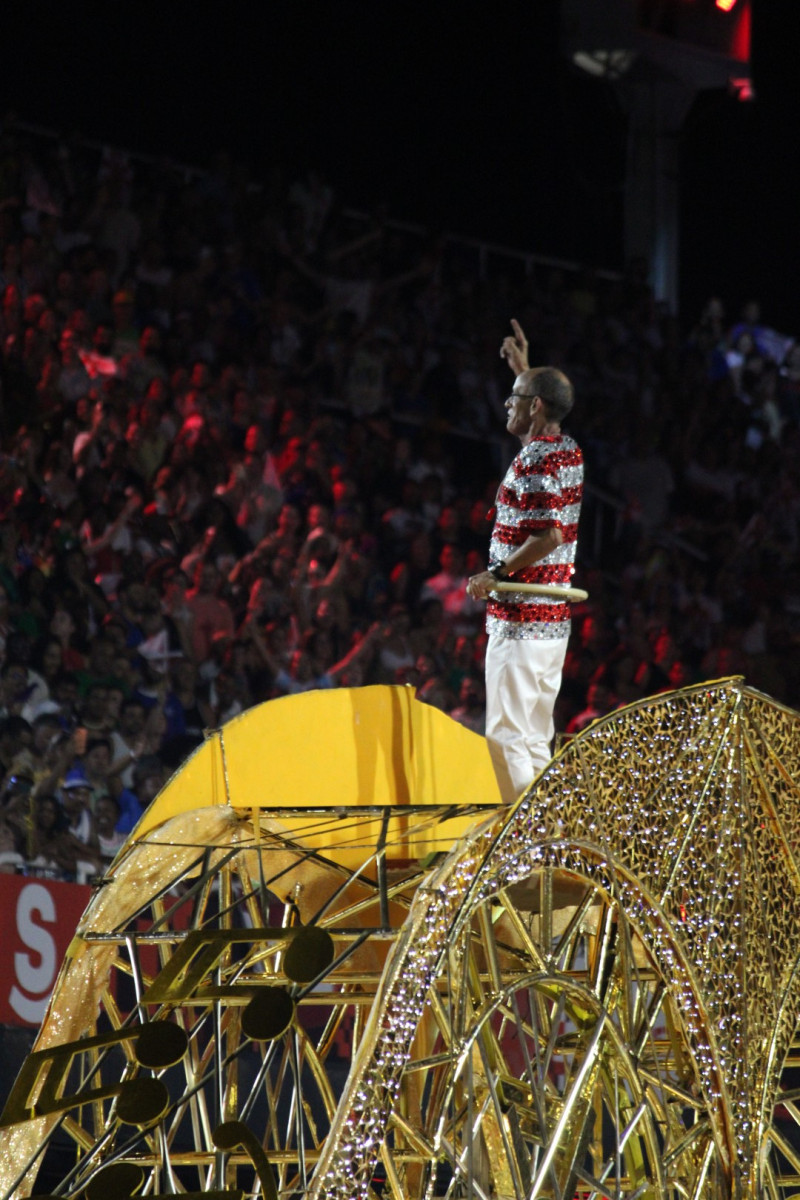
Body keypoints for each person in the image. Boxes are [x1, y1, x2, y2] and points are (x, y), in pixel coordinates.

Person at [466, 320, 583, 799]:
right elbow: (540, 414)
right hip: (551, 624)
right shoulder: (565, 448)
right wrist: (525, 372)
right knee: (535, 737)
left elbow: (549, 533)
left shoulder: (536, 459)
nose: (506, 404)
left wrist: (495, 574)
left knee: (506, 736)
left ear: (535, 406)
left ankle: (520, 837)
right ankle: (543, 831)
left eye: (514, 397)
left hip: (519, 619)